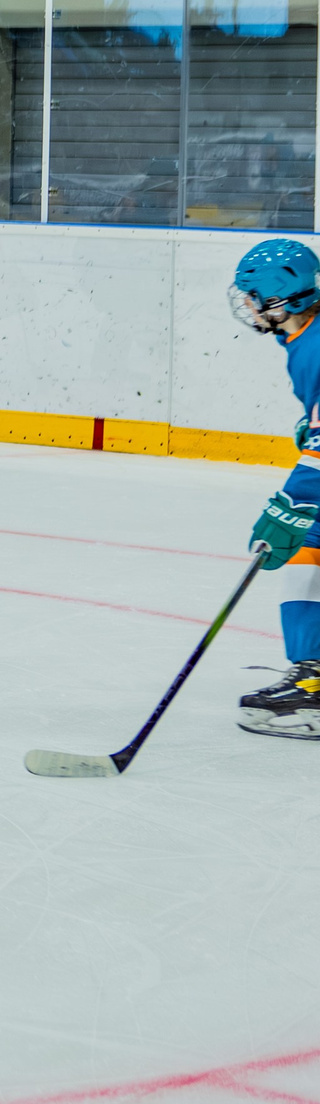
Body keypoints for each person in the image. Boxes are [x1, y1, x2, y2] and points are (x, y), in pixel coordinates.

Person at [233, 239, 320, 738]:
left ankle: (312, 681)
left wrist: (293, 501)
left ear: (280, 300)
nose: (246, 305)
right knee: (311, 546)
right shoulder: (304, 338)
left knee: (306, 535)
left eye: (252, 296)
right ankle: (312, 674)